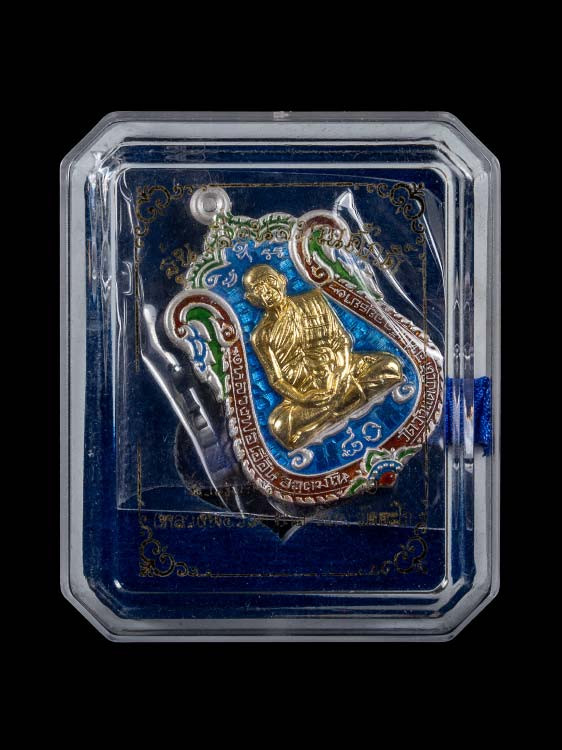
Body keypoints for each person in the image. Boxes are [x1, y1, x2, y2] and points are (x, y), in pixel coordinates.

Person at [243, 265, 403, 451]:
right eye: (259, 289)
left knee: (390, 366)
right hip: (307, 393)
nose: (268, 291)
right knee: (281, 427)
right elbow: (276, 379)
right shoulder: (261, 335)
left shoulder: (313, 300)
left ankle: (332, 410)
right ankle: (347, 399)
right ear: (252, 299)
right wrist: (303, 399)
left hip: (343, 369)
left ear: (282, 280)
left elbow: (341, 341)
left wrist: (341, 374)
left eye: (270, 282)